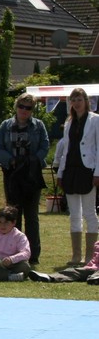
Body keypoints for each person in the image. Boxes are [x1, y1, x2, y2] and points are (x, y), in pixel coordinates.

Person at [0, 93, 49, 265]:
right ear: (16, 106)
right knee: (13, 215)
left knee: (31, 216)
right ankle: (13, 253)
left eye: (28, 108)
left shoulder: (38, 126)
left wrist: (33, 160)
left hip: (32, 174)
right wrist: (11, 160)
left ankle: (33, 255)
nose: (24, 110)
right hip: (12, 174)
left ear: (32, 110)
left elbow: (45, 146)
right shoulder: (6, 125)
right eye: (21, 106)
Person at [56, 88, 99, 266]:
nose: (76, 103)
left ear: (86, 101)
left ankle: (90, 256)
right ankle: (76, 255)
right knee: (74, 214)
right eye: (73, 100)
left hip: (87, 170)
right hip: (70, 170)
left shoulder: (95, 120)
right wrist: (60, 173)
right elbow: (65, 149)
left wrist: (97, 173)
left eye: (79, 99)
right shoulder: (69, 122)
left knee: (89, 213)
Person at [28, 239, 99, 284]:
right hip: (91, 268)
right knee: (72, 271)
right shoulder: (97, 244)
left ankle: (94, 279)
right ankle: (49, 277)